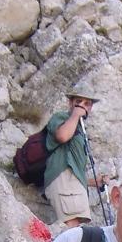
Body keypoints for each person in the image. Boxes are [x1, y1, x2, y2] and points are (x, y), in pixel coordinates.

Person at [43, 82, 109, 228]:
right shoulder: (61, 117)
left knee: (76, 229)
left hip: (72, 184)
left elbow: (73, 168)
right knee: (72, 229)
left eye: (87, 104)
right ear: (70, 102)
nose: (82, 106)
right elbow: (62, 136)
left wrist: (93, 182)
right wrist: (75, 114)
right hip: (64, 183)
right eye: (78, 101)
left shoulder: (79, 128)